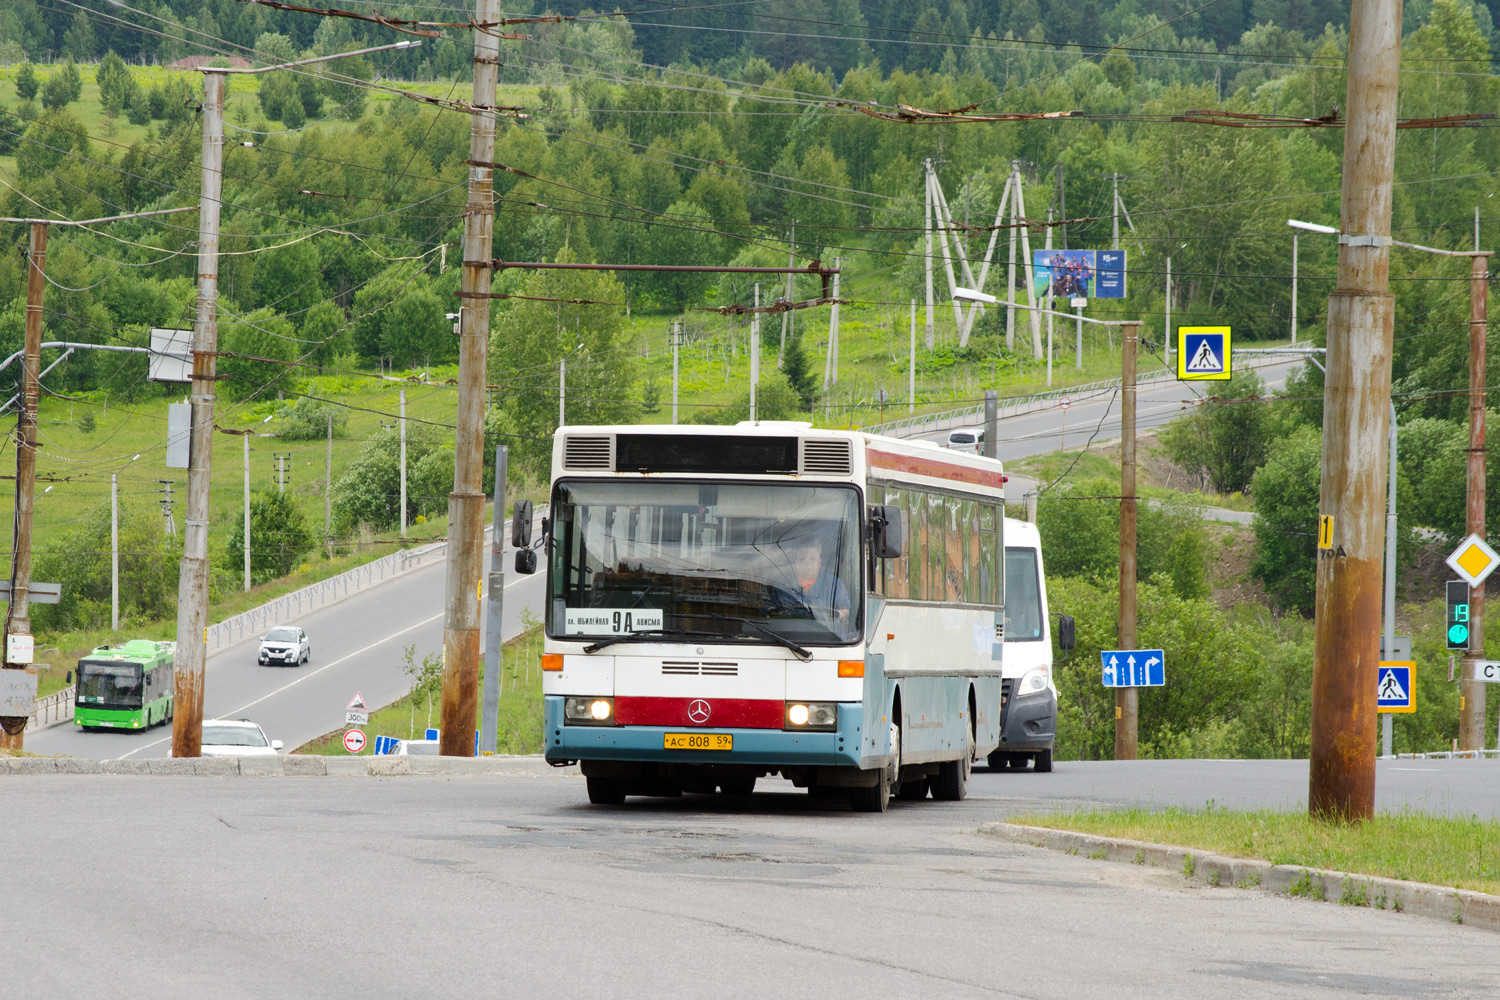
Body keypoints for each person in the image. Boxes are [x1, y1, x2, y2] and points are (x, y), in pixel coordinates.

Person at [772, 542, 851, 626]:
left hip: (826, 635)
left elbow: (846, 611)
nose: (807, 563)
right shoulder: (783, 585)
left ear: (819, 563)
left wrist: (838, 614)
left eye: (812, 559)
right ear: (796, 564)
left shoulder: (834, 584)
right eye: (802, 559)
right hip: (788, 634)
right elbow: (768, 611)